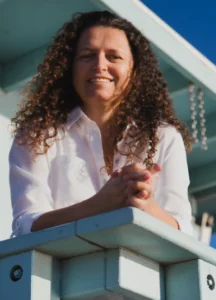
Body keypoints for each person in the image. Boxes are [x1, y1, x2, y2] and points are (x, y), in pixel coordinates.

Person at [9, 11, 193, 238]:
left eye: (114, 57)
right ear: (70, 67)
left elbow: (184, 232)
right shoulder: (37, 134)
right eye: (87, 55)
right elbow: (26, 224)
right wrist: (101, 204)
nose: (99, 65)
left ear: (134, 71)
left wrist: (145, 203)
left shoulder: (165, 137)